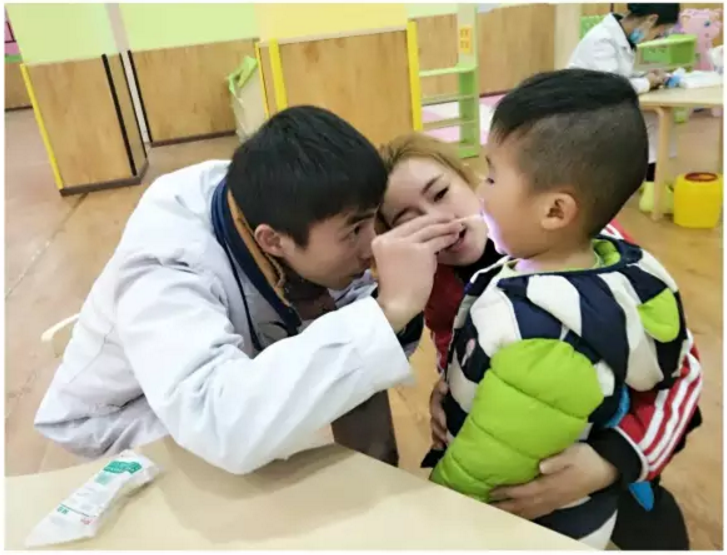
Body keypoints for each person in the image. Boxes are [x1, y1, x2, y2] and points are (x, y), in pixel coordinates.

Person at [33, 106, 466, 474]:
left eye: (373, 220)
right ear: (272, 241)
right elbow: (218, 425)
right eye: (355, 230)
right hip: (126, 422)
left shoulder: (288, 203)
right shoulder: (165, 267)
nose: (372, 245)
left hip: (230, 386)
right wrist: (388, 311)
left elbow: (358, 338)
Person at [378, 111, 702, 548]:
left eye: (440, 193)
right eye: (408, 218)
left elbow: (679, 372)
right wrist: (448, 391)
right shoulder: (433, 280)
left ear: (474, 180)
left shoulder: (587, 246)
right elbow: (451, 346)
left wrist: (611, 461)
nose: (436, 220)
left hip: (608, 471)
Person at [568, 3, 681, 182]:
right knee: (651, 121)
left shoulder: (623, 38)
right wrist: (647, 82)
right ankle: (650, 182)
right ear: (651, 20)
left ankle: (653, 181)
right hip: (585, 109)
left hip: (604, 102)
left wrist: (649, 75)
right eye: (659, 32)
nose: (656, 38)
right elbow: (613, 86)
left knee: (658, 119)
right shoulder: (602, 40)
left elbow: (623, 74)